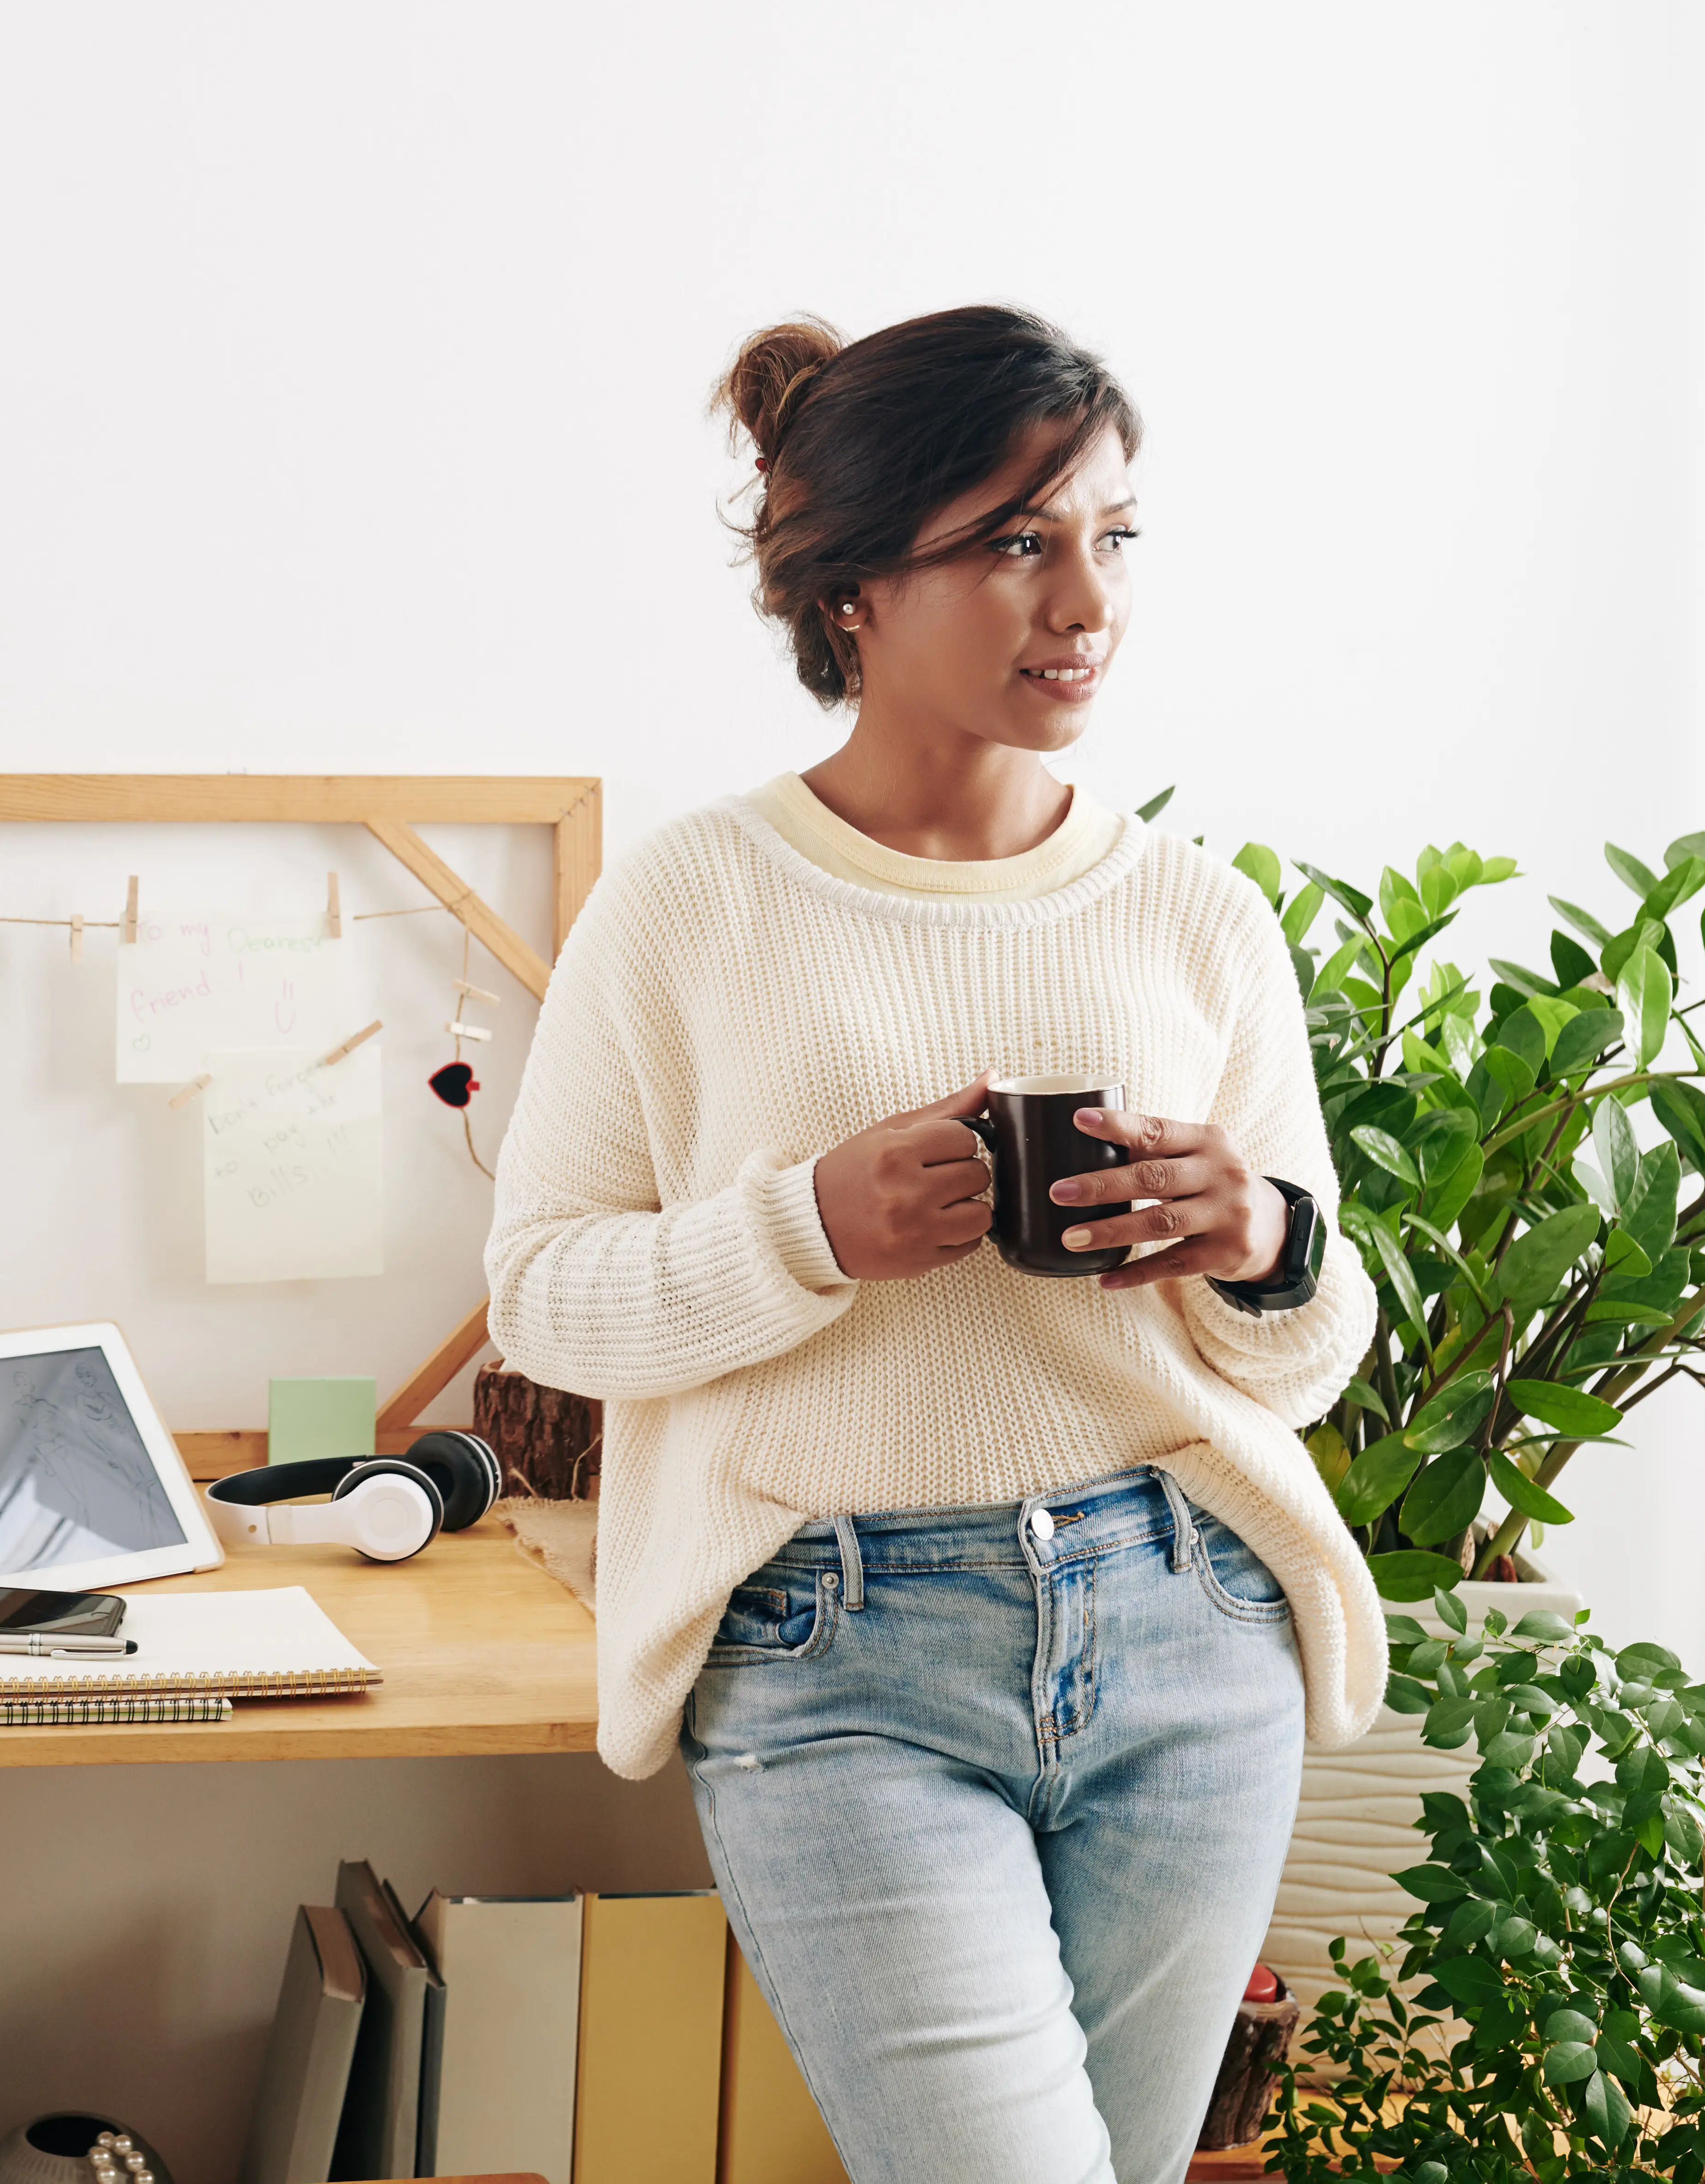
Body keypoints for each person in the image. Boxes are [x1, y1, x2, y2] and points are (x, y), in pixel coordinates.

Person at [483, 306, 1380, 2184]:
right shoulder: (689, 901)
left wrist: (1260, 1240)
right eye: (1017, 541)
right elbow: (546, 1294)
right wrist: (806, 1226)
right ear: (854, 587)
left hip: (1191, 1626)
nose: (1087, 600)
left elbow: (1304, 1356)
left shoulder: (1197, 916)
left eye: (1113, 536)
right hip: (839, 1656)